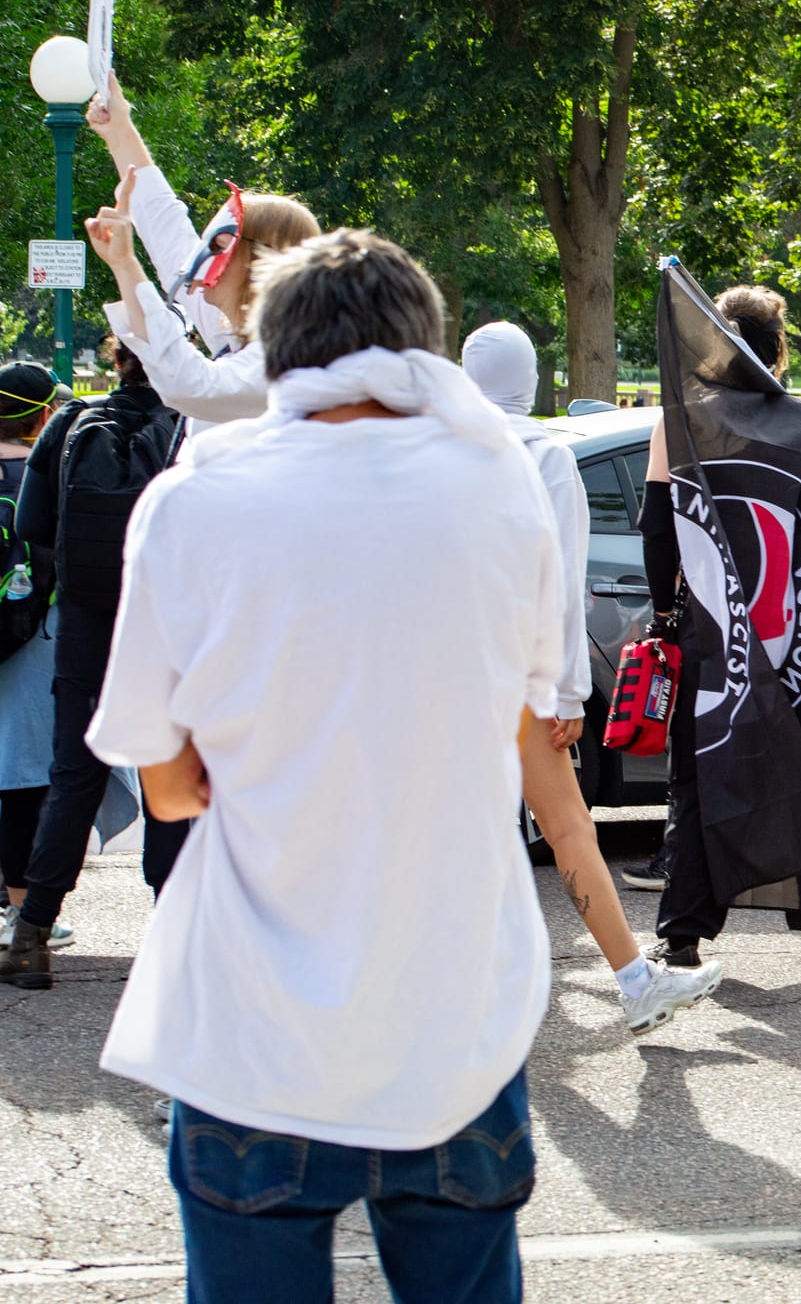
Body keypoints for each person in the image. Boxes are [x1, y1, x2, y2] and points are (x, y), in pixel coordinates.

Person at [81, 229, 561, 1298]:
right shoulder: (503, 493)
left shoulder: (196, 501)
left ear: (272, 352)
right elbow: (527, 705)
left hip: (257, 1034)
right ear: (425, 350)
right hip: (455, 1025)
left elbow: (163, 782)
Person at [461, 319, 723, 1033]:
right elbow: (559, 582)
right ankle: (634, 978)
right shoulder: (542, 455)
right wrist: (568, 690)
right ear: (531, 380)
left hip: (440, 670)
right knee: (569, 826)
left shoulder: (431, 444)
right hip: (513, 675)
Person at [628, 284, 801, 967]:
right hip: (799, 631)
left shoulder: (678, 424)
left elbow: (658, 533)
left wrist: (668, 613)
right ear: (777, 352)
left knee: (702, 772)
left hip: (713, 629)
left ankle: (683, 933)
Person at [0, 349, 182, 988]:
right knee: (168, 770)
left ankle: (32, 939)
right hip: (163, 622)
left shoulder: (71, 420)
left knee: (73, 775)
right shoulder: (190, 428)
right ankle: (168, 938)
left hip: (85, 623)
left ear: (118, 361)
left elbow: (33, 523)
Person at [83, 71, 319, 432]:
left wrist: (125, 264)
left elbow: (190, 385)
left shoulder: (287, 361)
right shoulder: (239, 339)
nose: (200, 261)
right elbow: (166, 229)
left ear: (264, 262)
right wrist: (119, 130)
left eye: (221, 247)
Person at [0, 365, 70, 960]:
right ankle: (22, 909)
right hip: (33, 641)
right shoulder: (44, 476)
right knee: (25, 778)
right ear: (44, 418)